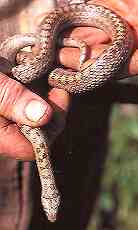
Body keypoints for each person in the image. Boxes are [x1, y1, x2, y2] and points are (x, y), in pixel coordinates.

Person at [0, 0, 138, 230]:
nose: (51, 208)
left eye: (50, 206)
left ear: (51, 197)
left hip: (75, 108)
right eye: (51, 206)